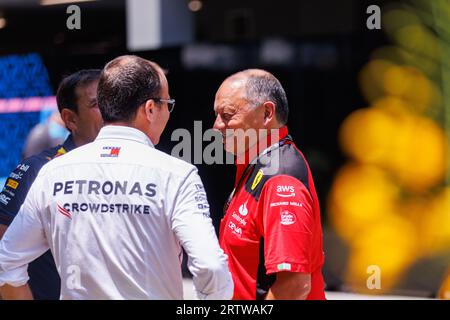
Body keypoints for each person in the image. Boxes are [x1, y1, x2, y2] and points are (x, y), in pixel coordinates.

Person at [0, 55, 233, 300]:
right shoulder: (177, 175)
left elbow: (6, 261)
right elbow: (210, 266)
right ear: (151, 109)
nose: (169, 112)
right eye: (168, 103)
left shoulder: (53, 172)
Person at [213, 69, 326, 300]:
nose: (217, 126)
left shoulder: (280, 178)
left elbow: (295, 285)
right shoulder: (256, 165)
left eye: (227, 115)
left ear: (266, 113)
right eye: (216, 115)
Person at [0, 69, 103, 299]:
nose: (110, 110)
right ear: (70, 118)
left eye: (112, 100)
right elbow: (2, 257)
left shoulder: (138, 167)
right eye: (97, 103)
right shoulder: (36, 170)